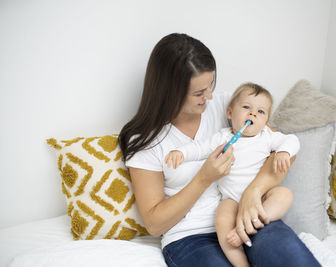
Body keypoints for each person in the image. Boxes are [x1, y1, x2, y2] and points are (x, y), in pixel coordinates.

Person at [118, 33, 320, 267]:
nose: (210, 96)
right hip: (191, 238)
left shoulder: (231, 107)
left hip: (248, 217)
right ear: (169, 92)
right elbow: (154, 224)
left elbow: (277, 149)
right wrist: (204, 178)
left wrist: (253, 192)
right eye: (199, 93)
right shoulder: (145, 140)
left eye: (210, 86)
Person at [164, 82, 299, 267]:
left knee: (284, 194)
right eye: (246, 107)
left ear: (266, 121)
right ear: (229, 113)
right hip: (231, 200)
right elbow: (200, 148)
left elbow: (291, 140)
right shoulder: (223, 137)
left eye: (261, 112)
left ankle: (252, 223)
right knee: (222, 219)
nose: (253, 114)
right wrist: (181, 153)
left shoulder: (267, 137)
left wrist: (284, 151)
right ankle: (241, 263)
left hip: (260, 198)